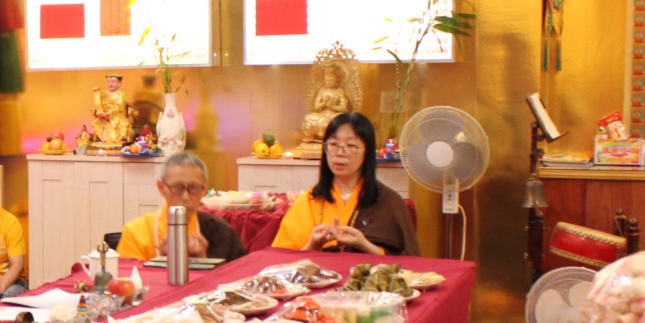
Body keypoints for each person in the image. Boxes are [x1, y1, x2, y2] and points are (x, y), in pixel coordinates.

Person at [273, 111, 419, 255]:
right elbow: (282, 261)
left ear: (367, 152)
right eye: (333, 144)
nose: (340, 153)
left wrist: (363, 244)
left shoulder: (390, 203)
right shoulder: (309, 201)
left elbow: (406, 263)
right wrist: (313, 244)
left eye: (351, 145)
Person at [115, 152, 245, 263]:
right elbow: (128, 282)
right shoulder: (136, 232)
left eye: (193, 188)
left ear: (204, 189)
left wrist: (203, 261)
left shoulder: (222, 233)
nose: (185, 197)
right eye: (177, 187)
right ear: (161, 188)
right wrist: (163, 262)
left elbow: (239, 279)